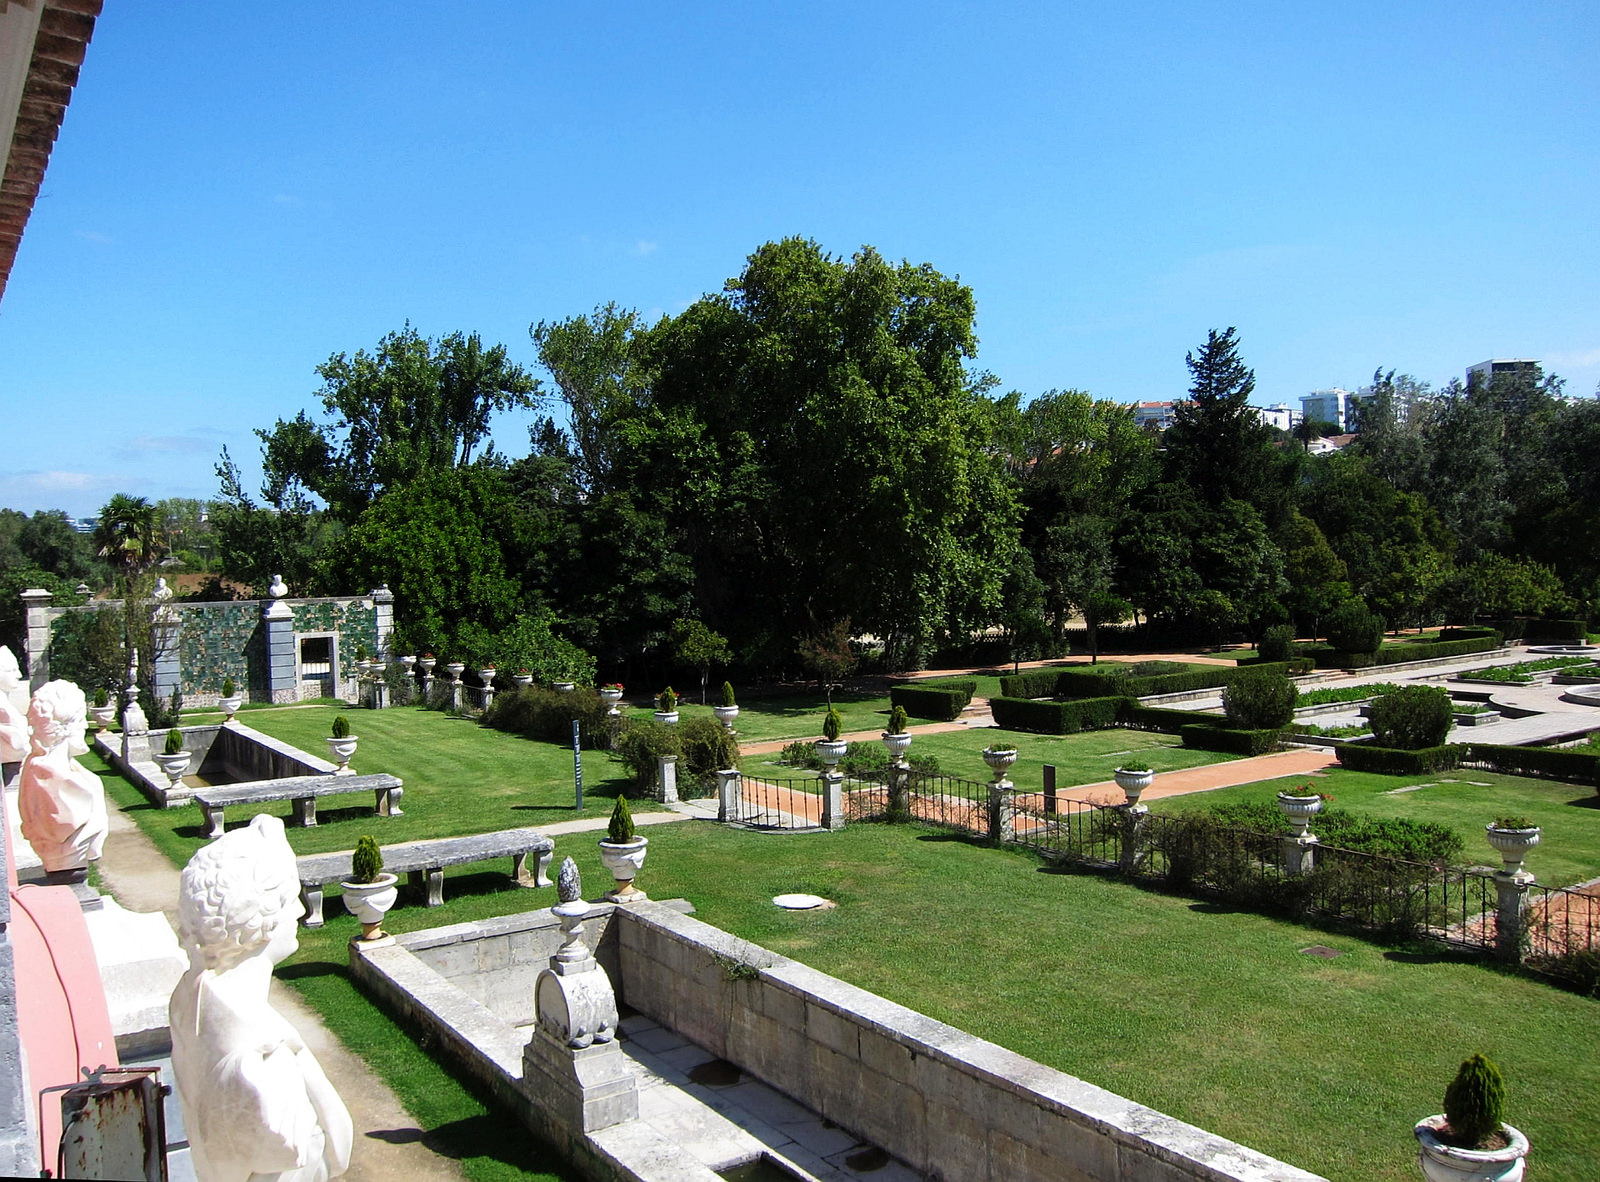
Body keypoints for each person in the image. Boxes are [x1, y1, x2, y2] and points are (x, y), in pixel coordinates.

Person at [170, 815, 352, 1182]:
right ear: (258, 920)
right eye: (289, 900)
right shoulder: (260, 1068)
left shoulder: (195, 998)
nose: (301, 910)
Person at [17, 680, 106, 876]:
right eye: (81, 718)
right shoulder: (49, 779)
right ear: (66, 725)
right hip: (65, 860)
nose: (85, 725)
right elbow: (62, 826)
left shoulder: (66, 769)